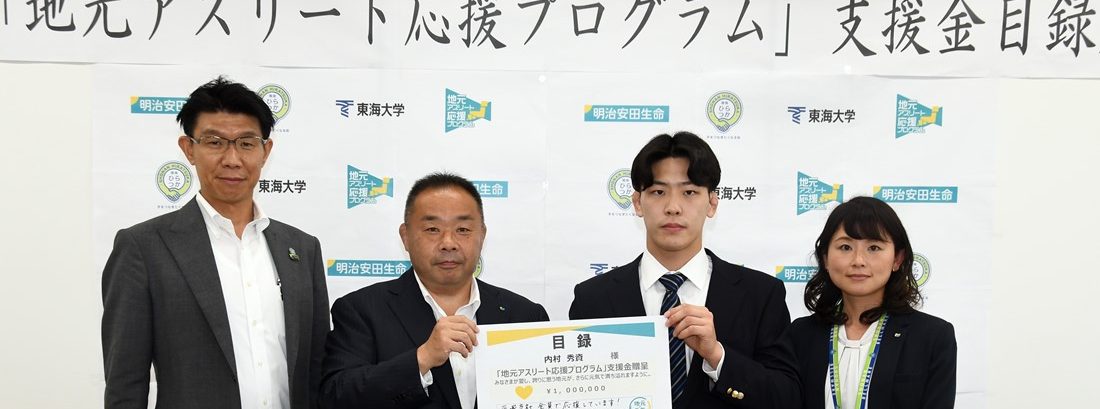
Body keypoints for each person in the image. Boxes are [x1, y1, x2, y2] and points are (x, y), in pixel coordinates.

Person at [101, 76, 330, 409]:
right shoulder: (143, 248)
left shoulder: (302, 249)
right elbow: (125, 383)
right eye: (215, 142)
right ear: (189, 149)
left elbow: (317, 371)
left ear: (265, 151)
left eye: (246, 143)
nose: (232, 159)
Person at [569, 132, 801, 409]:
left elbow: (787, 398)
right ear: (638, 203)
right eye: (658, 192)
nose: (673, 207)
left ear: (712, 203)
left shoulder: (761, 294)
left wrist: (717, 356)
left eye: (689, 192)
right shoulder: (593, 299)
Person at [321, 172, 549, 409]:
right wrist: (422, 358)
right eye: (432, 229)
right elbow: (335, 396)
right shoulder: (362, 310)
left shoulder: (525, 316)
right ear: (405, 237)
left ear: (482, 235)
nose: (448, 243)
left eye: (463, 229)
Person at [786, 196, 956, 409]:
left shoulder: (932, 336)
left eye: (874, 248)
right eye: (845, 247)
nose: (858, 260)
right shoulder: (800, 334)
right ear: (825, 258)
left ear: (897, 259)